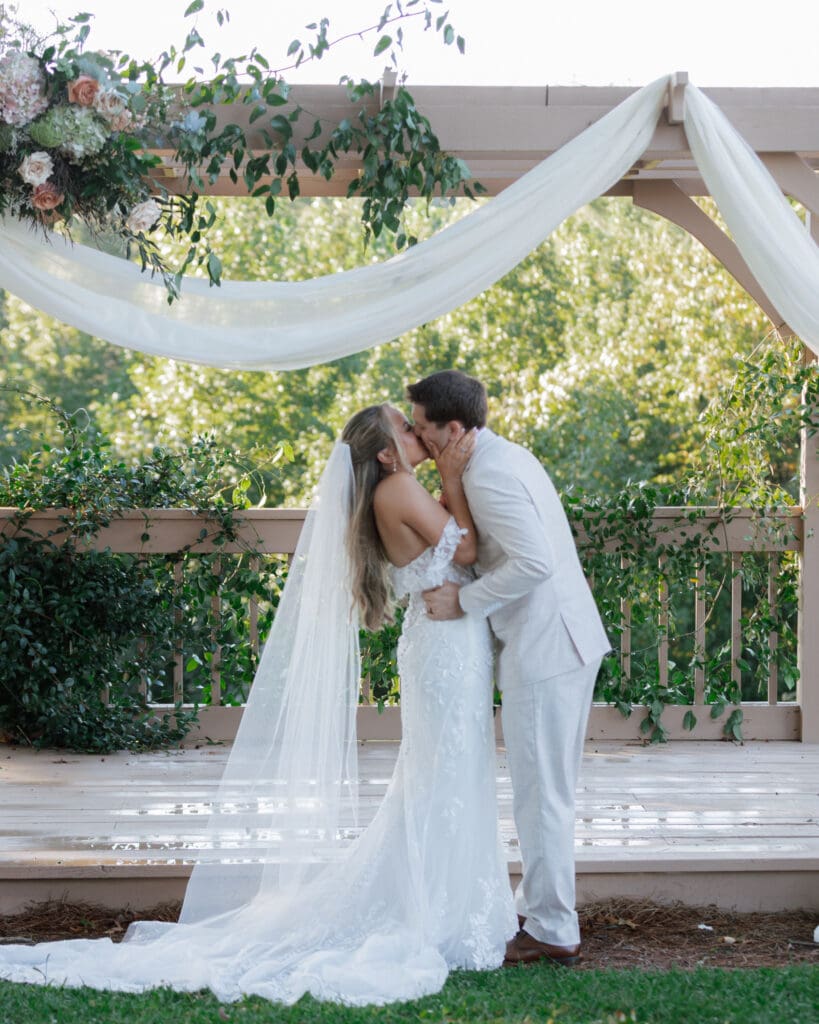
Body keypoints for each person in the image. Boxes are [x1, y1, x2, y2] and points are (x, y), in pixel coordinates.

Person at [0, 404, 516, 1005]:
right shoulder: (402, 487)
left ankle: (453, 902)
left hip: (443, 643)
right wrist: (455, 478)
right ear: (384, 453)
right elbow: (469, 548)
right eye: (406, 428)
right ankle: (443, 911)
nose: (417, 434)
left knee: (442, 776)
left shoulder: (396, 487)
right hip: (444, 645)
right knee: (444, 777)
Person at [407, 370, 610, 967]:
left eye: (422, 427)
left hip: (548, 648)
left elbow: (536, 563)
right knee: (544, 790)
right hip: (557, 643)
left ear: (453, 427)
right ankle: (543, 906)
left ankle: (552, 929)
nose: (417, 437)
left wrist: (462, 602)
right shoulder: (494, 458)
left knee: (540, 794)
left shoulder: (489, 473)